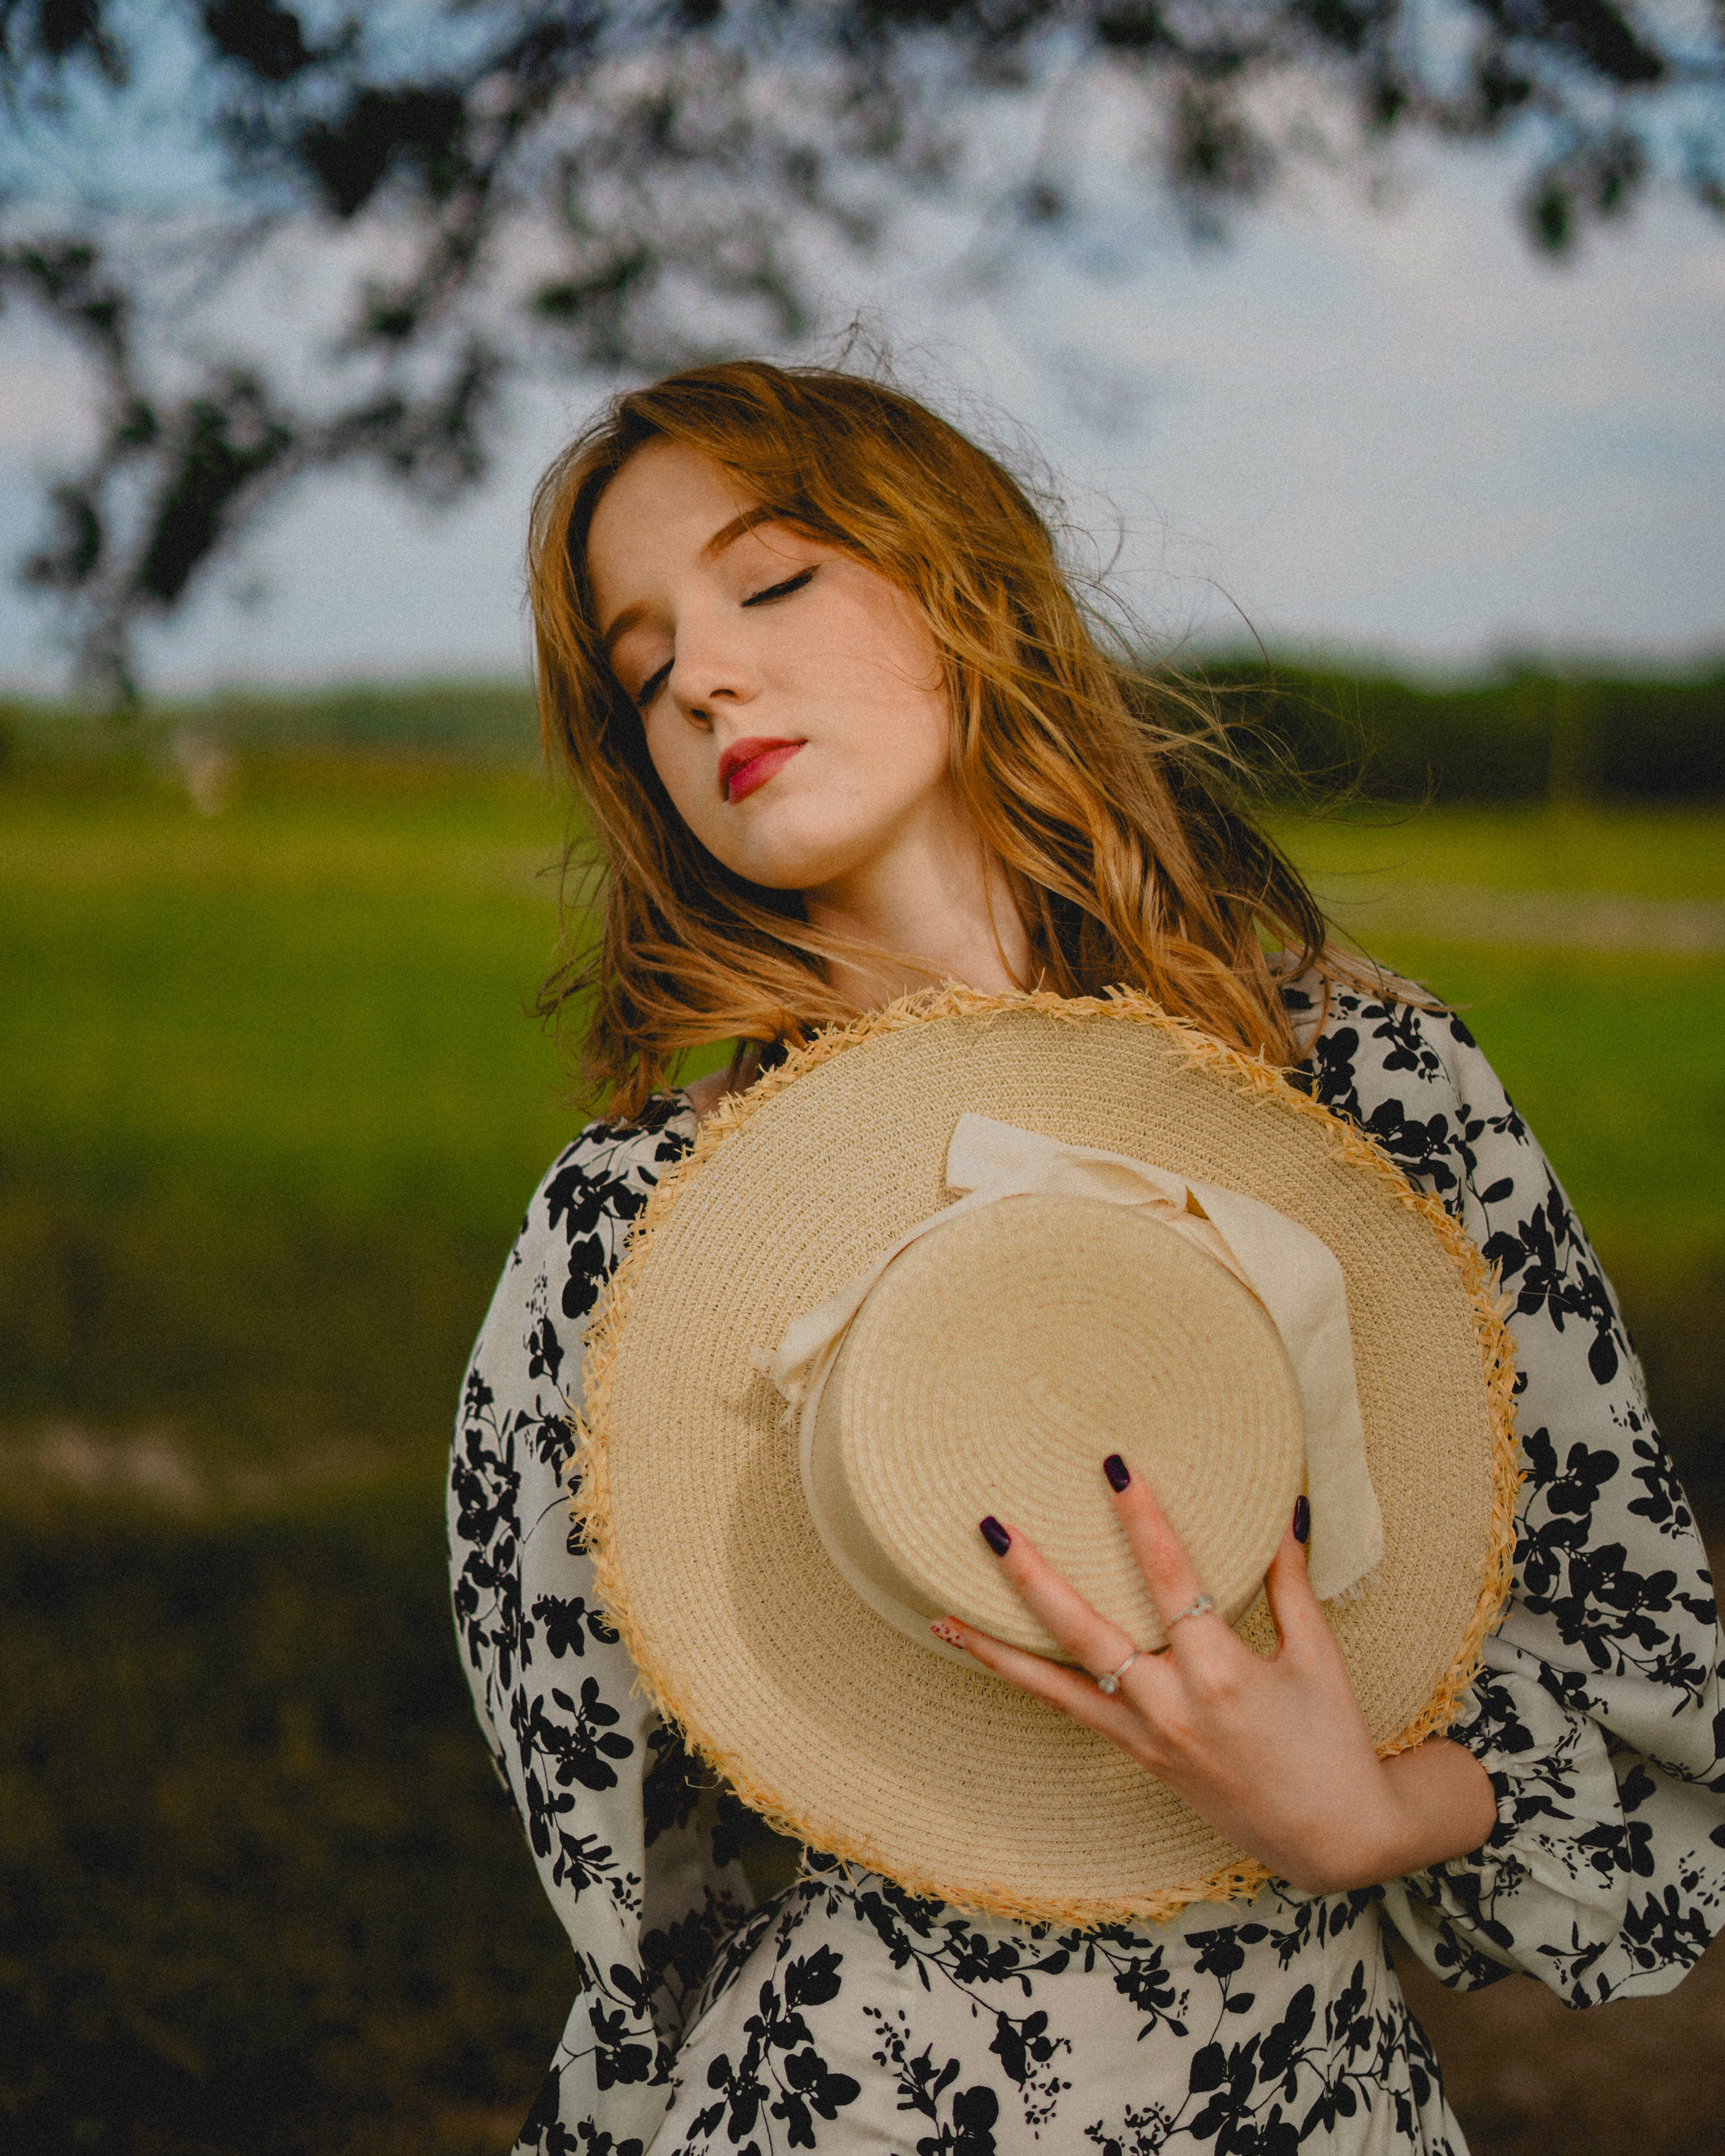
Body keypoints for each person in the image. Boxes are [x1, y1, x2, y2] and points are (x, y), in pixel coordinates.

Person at [448, 361, 1724, 2155]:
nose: (704, 677)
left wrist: (1366, 1815)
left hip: (1307, 2101)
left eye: (774, 579)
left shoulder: (1370, 1090)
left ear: (965, 584)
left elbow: (1632, 1658)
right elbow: (624, 1856)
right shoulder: (636, 1228)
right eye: (643, 664)